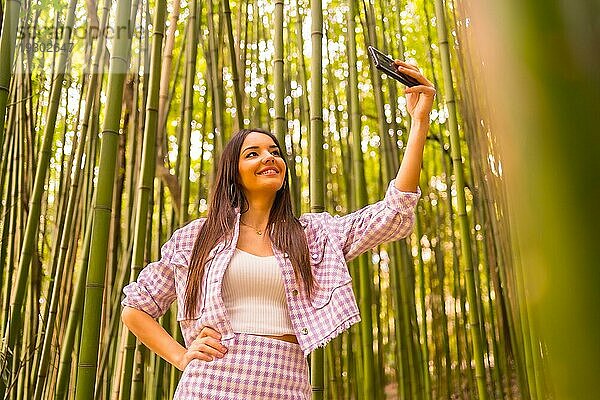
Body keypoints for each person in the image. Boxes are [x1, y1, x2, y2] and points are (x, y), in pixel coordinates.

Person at [121, 60, 435, 399]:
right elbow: (136, 308)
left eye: (274, 152)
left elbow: (393, 213)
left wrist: (419, 122)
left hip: (285, 379)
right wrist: (181, 357)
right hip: (211, 381)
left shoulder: (313, 237)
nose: (268, 157)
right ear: (233, 174)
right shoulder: (197, 238)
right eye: (252, 153)